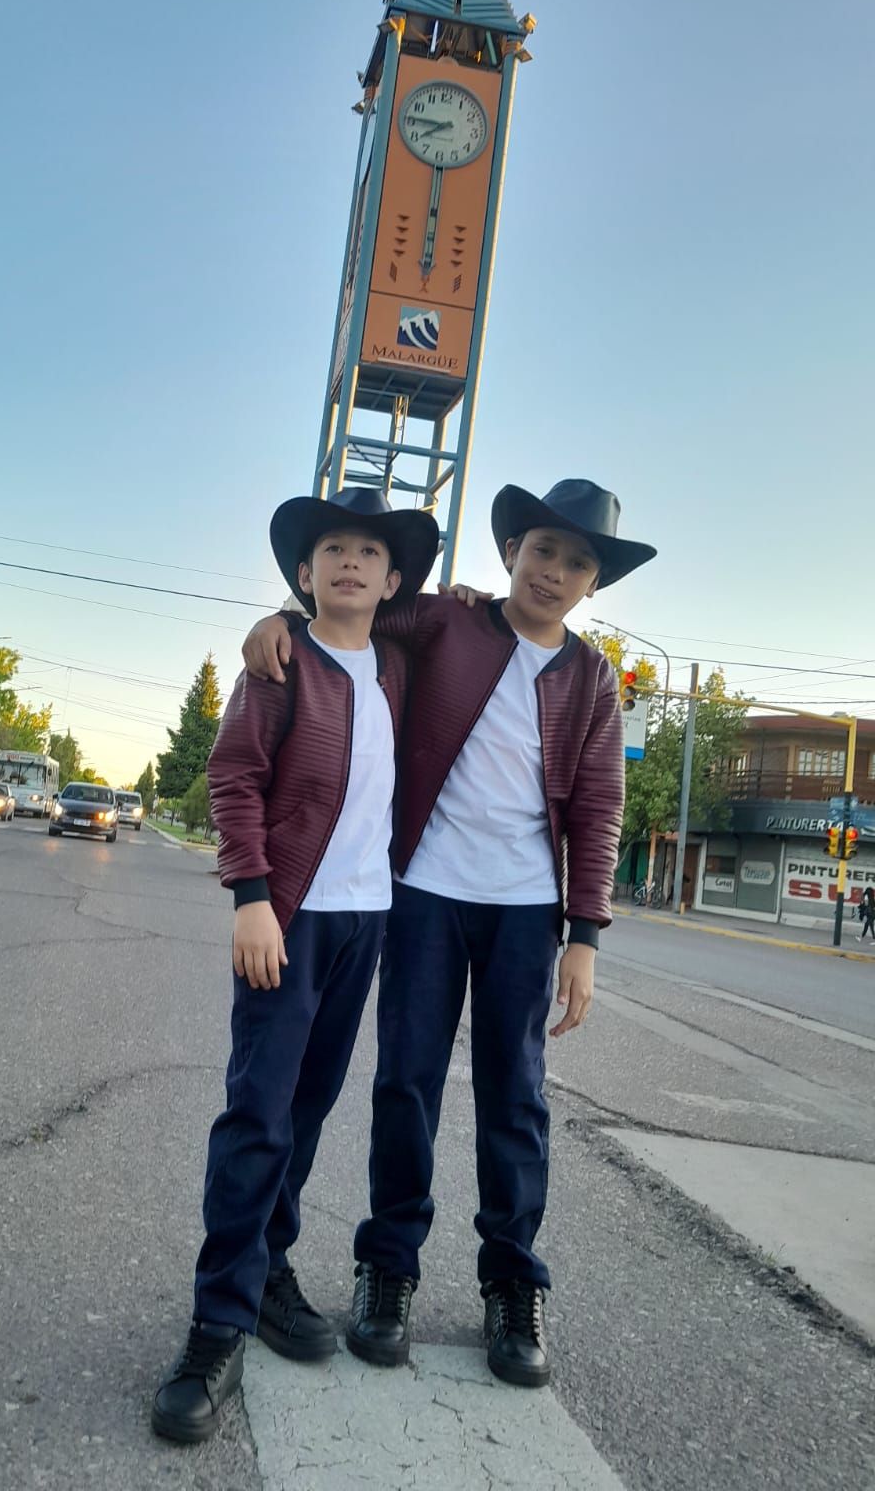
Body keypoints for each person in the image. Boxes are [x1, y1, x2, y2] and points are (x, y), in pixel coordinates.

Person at [244, 479, 656, 1389]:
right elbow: (348, 611)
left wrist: (585, 935)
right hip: (424, 893)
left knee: (517, 1097)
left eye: (576, 562)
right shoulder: (446, 621)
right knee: (406, 1084)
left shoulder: (592, 678)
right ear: (510, 552)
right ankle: (387, 1268)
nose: (553, 572)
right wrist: (277, 619)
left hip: (525, 911)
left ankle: (512, 1283)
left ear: (593, 583)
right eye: (541, 550)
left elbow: (599, 808)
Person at [151, 487, 438, 1444]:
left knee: (307, 1111)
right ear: (304, 574)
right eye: (333, 549)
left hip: (367, 919)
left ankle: (268, 1270)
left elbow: (451, 618)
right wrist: (251, 897)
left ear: (391, 580)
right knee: (258, 1114)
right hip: (289, 917)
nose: (351, 561)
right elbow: (234, 776)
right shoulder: (280, 664)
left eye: (370, 552)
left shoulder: (398, 665)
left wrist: (463, 596)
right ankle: (216, 1324)